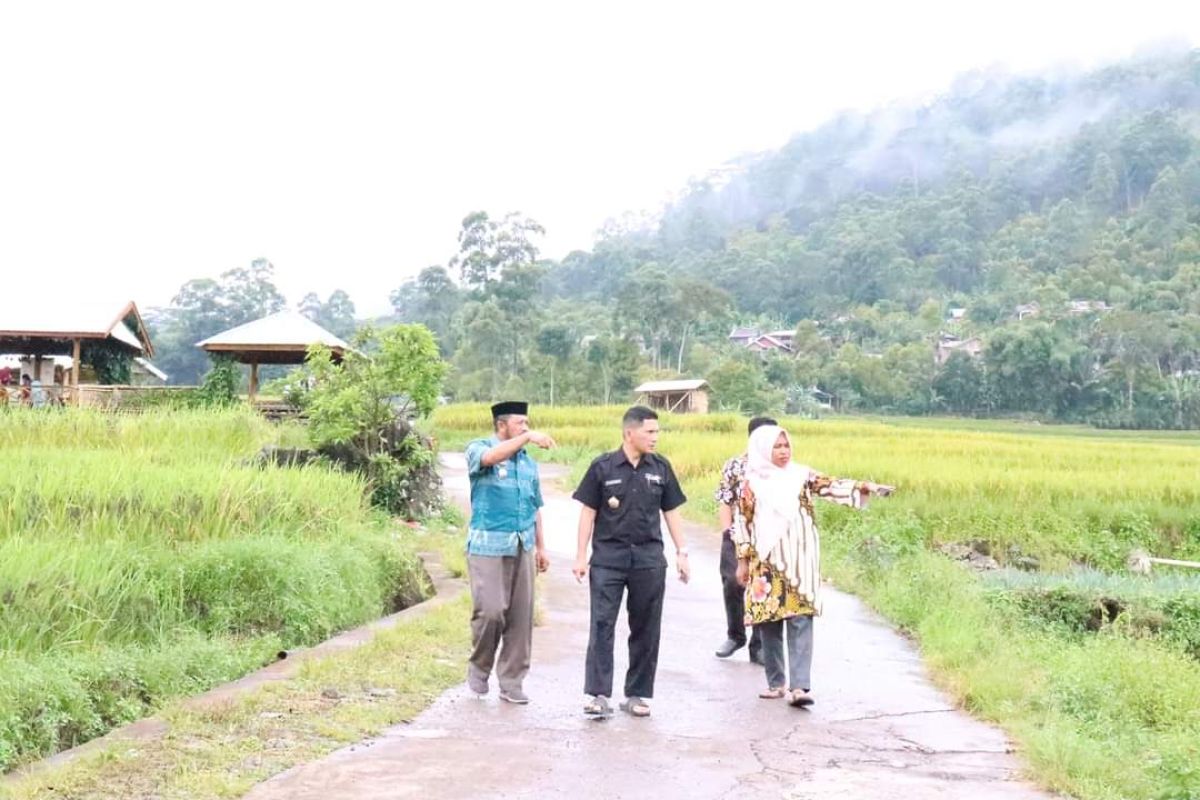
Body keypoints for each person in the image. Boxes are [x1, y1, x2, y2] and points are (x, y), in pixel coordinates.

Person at [734, 425, 893, 707]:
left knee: (800, 620)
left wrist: (864, 487)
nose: (784, 451)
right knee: (768, 624)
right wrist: (742, 561)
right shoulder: (751, 484)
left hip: (800, 561)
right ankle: (776, 683)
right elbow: (743, 524)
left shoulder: (801, 475)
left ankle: (800, 687)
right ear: (762, 449)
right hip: (766, 563)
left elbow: (830, 485)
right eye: (777, 447)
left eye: (786, 446)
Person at [572, 406, 690, 719]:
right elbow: (588, 512)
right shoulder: (603, 467)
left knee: (646, 628)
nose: (655, 437)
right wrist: (580, 555)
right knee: (602, 624)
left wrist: (682, 552)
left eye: (657, 431)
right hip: (608, 559)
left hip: (649, 561)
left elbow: (672, 511)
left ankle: (636, 694)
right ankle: (598, 694)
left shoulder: (661, 468)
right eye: (649, 432)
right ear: (629, 433)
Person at [463, 401, 555, 704]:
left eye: (528, 424)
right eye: (521, 423)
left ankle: (512, 681)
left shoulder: (528, 463)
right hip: (488, 545)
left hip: (523, 545)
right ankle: (479, 668)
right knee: (490, 611)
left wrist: (541, 546)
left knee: (520, 617)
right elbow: (489, 458)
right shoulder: (479, 448)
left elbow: (535, 505)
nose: (527, 428)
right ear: (502, 425)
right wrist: (526, 439)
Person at [713, 415, 777, 663]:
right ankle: (735, 635)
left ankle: (758, 645)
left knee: (763, 587)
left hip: (769, 536)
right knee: (732, 582)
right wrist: (727, 532)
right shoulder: (735, 465)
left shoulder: (779, 469)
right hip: (737, 534)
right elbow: (724, 499)